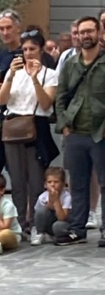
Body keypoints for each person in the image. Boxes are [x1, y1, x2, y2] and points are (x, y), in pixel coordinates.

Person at [0, 28, 58, 235]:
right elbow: (1, 100)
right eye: (25, 49)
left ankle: (35, 224)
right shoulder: (13, 73)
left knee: (35, 179)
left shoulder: (50, 74)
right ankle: (20, 223)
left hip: (36, 127)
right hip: (13, 128)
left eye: (33, 48)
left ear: (41, 50)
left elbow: (46, 102)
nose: (28, 53)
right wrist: (11, 74)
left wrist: (34, 78)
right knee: (17, 179)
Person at [55, 15, 105, 246]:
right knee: (78, 184)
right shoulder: (70, 65)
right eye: (82, 32)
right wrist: (64, 125)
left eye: (90, 31)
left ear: (98, 33)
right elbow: (61, 97)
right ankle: (77, 230)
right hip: (75, 134)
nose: (86, 35)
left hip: (100, 134)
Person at [32, 166, 72, 245]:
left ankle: (60, 236)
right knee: (41, 210)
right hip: (49, 223)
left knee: (58, 226)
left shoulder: (67, 197)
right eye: (49, 182)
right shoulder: (43, 197)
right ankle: (40, 234)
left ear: (63, 184)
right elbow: (38, 215)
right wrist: (50, 200)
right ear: (45, 184)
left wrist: (56, 200)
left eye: (56, 182)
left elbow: (62, 218)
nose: (52, 185)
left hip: (62, 223)